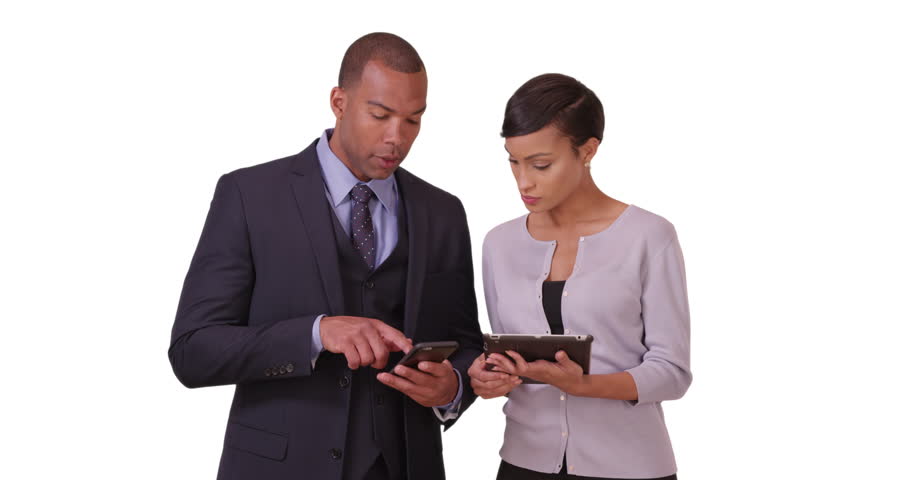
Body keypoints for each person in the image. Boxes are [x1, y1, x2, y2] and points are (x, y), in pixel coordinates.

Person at [168, 32, 483, 480]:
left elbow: (466, 344)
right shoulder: (249, 195)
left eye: (413, 120)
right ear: (339, 102)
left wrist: (452, 387)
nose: (397, 138)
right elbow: (193, 350)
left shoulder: (442, 211)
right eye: (380, 115)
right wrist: (316, 333)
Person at [468, 73, 692, 480]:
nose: (524, 181)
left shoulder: (649, 236)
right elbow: (506, 354)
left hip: (630, 468)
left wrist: (583, 385)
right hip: (523, 463)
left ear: (588, 150)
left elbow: (672, 372)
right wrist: (489, 376)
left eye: (541, 164)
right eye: (513, 162)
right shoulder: (499, 244)